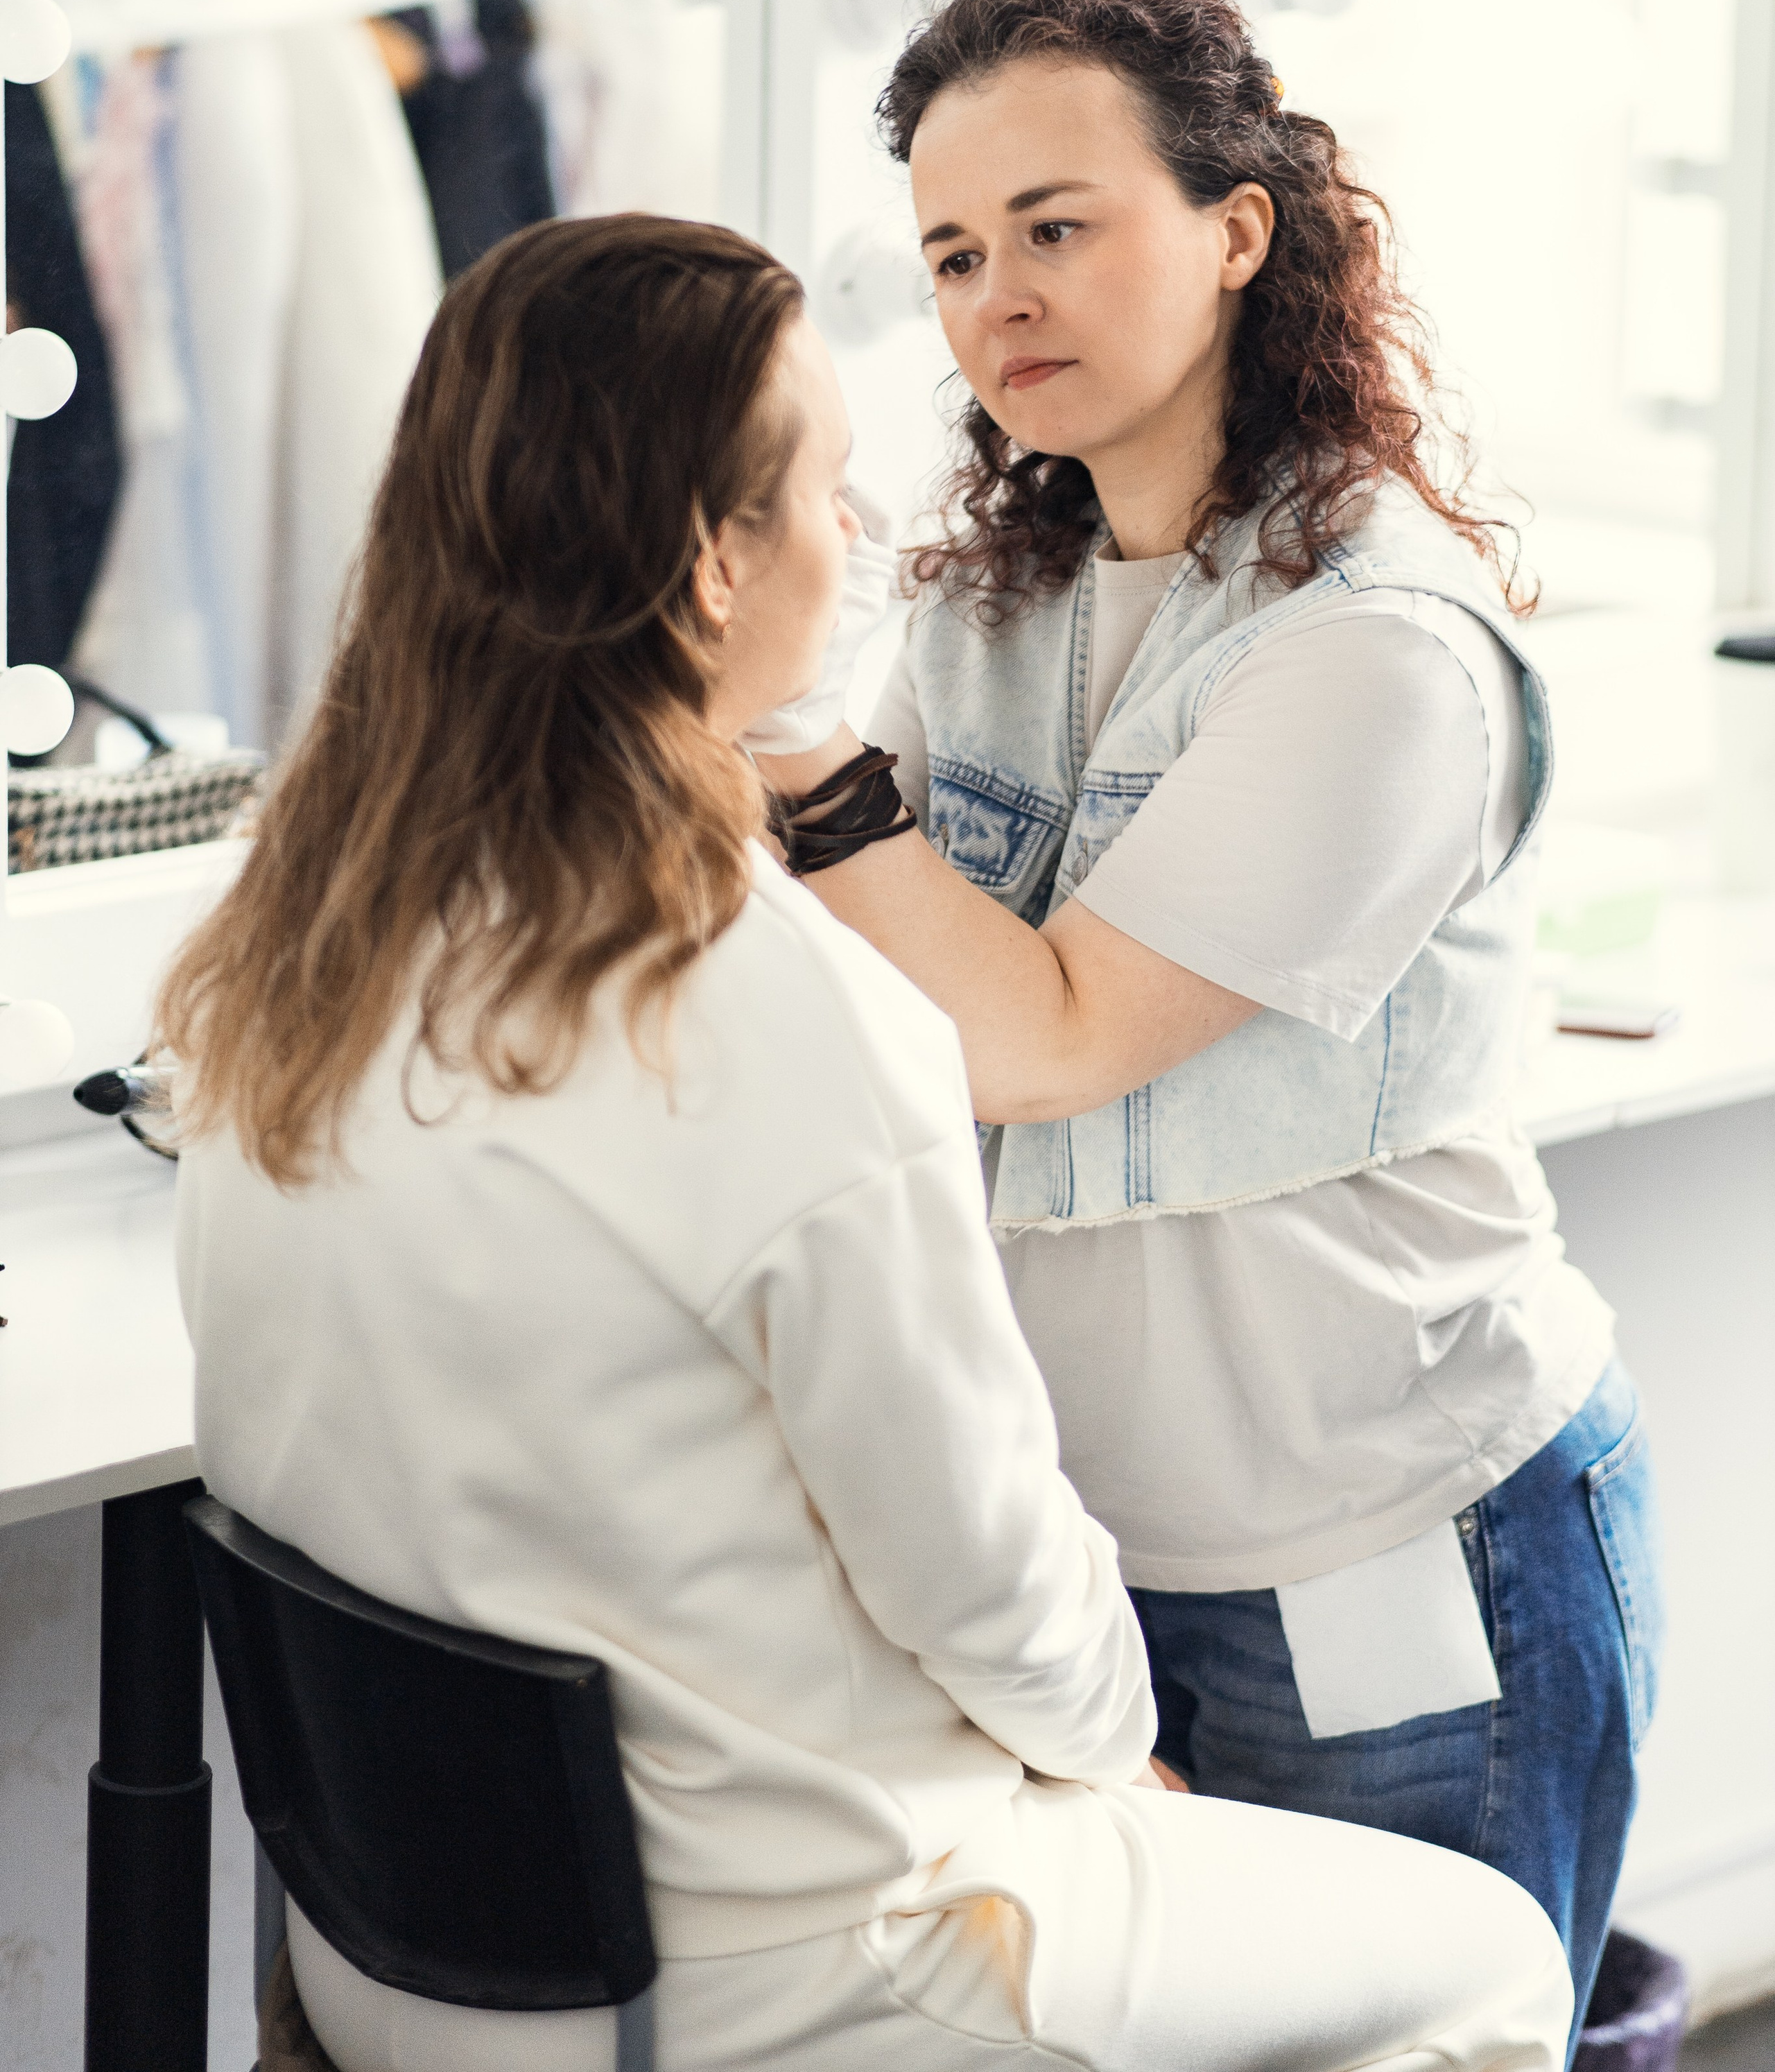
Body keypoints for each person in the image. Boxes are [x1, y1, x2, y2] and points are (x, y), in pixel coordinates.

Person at [165, 214, 1570, 2072]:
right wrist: (1113, 1763)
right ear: (707, 564)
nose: (857, 534)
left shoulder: (297, 939)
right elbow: (995, 1590)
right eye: (824, 488)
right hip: (774, 1983)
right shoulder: (766, 1015)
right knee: (1487, 1956)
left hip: (407, 1969)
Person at [753, 0, 1663, 2051]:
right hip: (1097, 1557)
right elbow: (858, 970)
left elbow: (1046, 1035)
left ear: (1240, 228)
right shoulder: (1002, 596)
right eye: (956, 255)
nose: (1000, 300)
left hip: (1386, 1550)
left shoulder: (1378, 650)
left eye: (1059, 228)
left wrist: (784, 755)